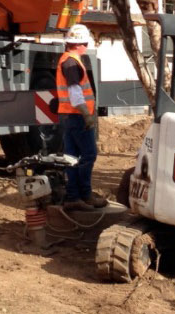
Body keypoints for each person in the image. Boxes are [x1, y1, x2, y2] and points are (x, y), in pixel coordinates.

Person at [56, 24, 105, 210]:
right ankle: (84, 195)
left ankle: (73, 197)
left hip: (69, 115)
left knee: (72, 157)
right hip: (76, 116)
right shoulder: (71, 62)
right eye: (85, 43)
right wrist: (87, 114)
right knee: (88, 155)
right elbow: (75, 92)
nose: (86, 46)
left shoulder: (68, 60)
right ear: (78, 44)